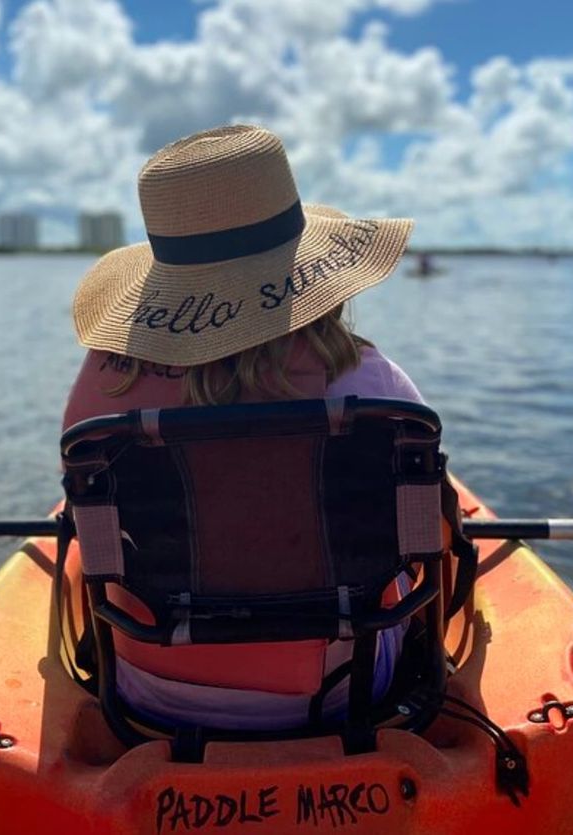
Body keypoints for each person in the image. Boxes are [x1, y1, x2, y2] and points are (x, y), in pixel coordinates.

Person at [63, 124, 423, 730]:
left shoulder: (106, 384)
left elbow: (89, 521)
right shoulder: (370, 388)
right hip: (340, 690)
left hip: (142, 686)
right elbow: (428, 530)